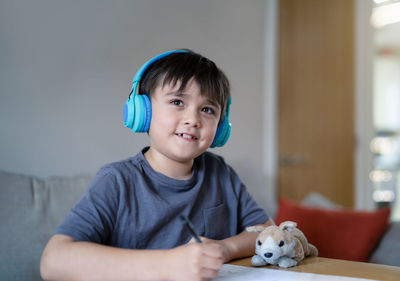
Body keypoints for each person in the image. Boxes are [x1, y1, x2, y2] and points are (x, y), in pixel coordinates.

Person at [40, 49, 272, 281]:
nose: (193, 119)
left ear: (221, 127)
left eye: (207, 109)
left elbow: (267, 231)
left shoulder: (220, 172)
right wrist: (168, 265)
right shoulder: (116, 180)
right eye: (177, 102)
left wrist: (225, 248)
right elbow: (53, 261)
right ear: (142, 112)